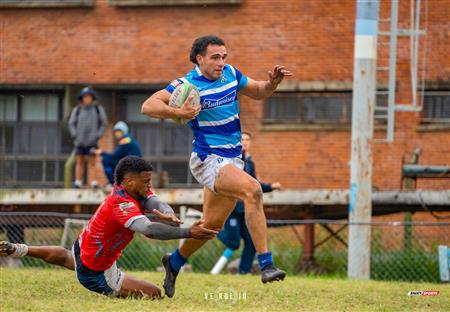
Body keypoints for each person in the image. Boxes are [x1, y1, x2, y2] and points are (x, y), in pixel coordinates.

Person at [141, 35, 292, 297]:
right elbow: (147, 106)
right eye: (215, 57)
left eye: (224, 56)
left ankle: (173, 263)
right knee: (253, 191)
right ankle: (266, 265)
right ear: (200, 59)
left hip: (232, 160)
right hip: (208, 159)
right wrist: (179, 113)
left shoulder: (231, 74)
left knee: (210, 226)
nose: (221, 62)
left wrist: (272, 83)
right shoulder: (188, 84)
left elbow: (258, 91)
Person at [0, 156, 217, 299]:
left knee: (67, 257)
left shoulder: (131, 189)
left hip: (83, 248)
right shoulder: (121, 204)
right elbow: (149, 230)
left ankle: (19, 249)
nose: (149, 185)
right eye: (146, 181)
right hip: (97, 272)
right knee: (154, 294)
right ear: (130, 182)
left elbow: (156, 202)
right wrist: (188, 232)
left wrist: (167, 211)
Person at [217, 132, 282, 274]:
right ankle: (215, 230)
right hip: (232, 207)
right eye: (242, 139)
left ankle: (243, 272)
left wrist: (270, 187)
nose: (245, 142)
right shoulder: (231, 158)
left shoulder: (250, 162)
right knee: (233, 243)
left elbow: (254, 185)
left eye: (247, 140)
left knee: (252, 242)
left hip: (246, 209)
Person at [68, 87, 107, 189]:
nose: (87, 99)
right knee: (79, 162)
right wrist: (75, 135)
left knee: (92, 162)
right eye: (85, 97)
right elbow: (71, 123)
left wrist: (97, 135)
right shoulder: (77, 110)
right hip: (80, 142)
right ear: (82, 98)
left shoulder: (98, 109)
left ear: (92, 98)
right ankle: (78, 182)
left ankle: (93, 182)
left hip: (92, 141)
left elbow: (104, 123)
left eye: (89, 97)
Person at [96, 121, 142, 185]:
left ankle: (113, 183)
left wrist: (101, 152)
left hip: (131, 166)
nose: (116, 134)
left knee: (106, 160)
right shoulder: (128, 139)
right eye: (116, 132)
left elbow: (115, 155)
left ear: (123, 132)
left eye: (119, 131)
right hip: (131, 165)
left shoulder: (125, 140)